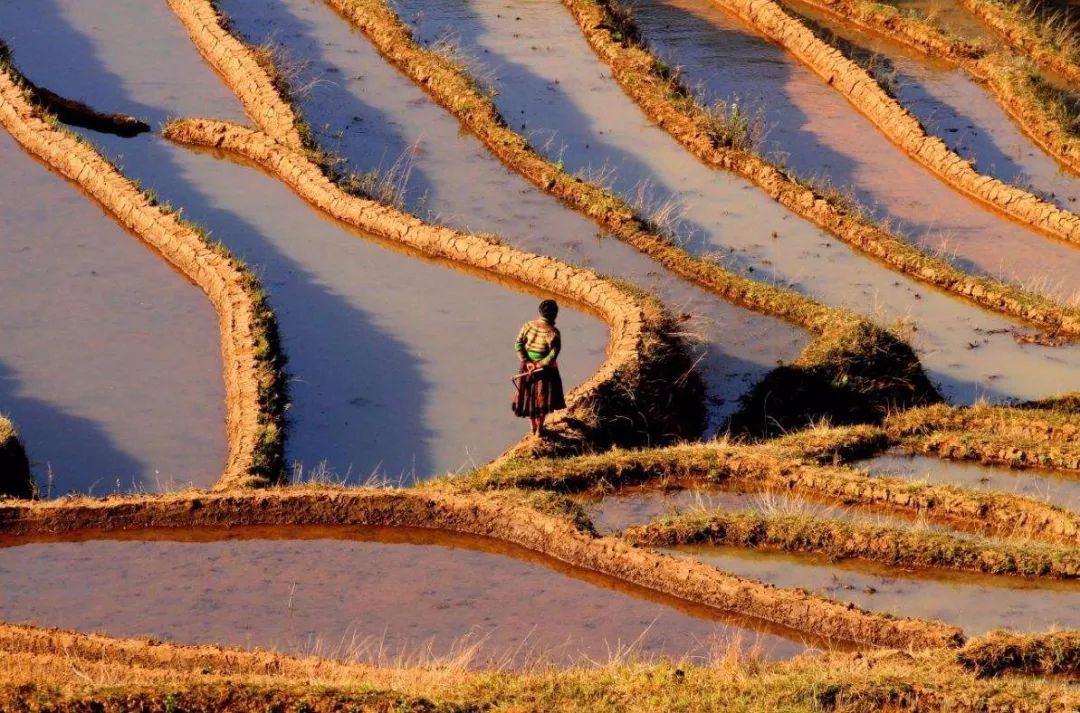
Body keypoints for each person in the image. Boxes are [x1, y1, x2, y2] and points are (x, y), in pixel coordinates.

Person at [513, 299, 566, 436]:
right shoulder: (553, 333)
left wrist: (527, 362)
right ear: (555, 315)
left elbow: (518, 345)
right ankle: (539, 430)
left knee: (528, 397)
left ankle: (532, 428)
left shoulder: (528, 326)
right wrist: (538, 364)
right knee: (543, 399)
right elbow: (553, 355)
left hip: (527, 368)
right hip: (546, 371)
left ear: (540, 311)